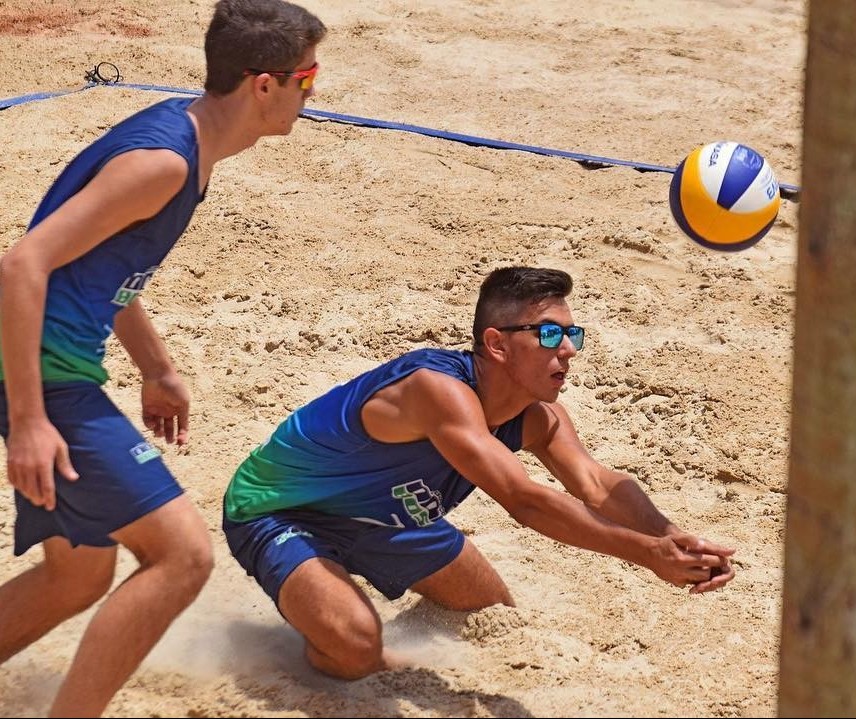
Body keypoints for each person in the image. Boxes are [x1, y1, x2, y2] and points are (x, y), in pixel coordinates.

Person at [0, 1, 326, 716]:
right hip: (42, 375)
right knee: (183, 555)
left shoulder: (187, 142)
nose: (313, 94)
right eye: (308, 78)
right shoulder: (163, 162)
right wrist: (28, 419)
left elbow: (99, 270)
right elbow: (22, 265)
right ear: (262, 83)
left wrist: (155, 366)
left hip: (44, 364)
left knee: (76, 576)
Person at [222, 265, 737, 681]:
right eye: (550, 333)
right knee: (357, 652)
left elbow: (596, 484)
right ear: (496, 344)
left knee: (489, 615)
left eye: (572, 332)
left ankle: (344, 617)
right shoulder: (436, 389)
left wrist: (671, 537)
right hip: (280, 511)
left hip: (392, 518)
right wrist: (647, 555)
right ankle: (310, 647)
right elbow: (525, 500)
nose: (569, 348)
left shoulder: (540, 417)